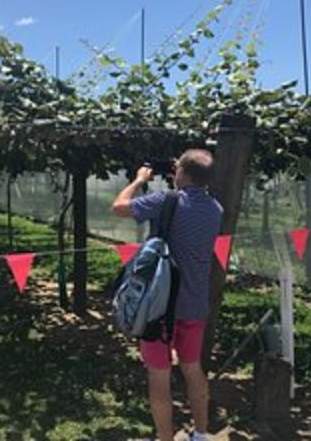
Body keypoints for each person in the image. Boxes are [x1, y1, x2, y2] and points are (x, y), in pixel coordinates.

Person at [112, 149, 223, 441]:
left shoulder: (165, 200)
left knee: (159, 375)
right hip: (194, 305)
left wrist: (138, 180)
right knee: (192, 368)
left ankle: (165, 438)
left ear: (181, 172)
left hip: (158, 307)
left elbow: (119, 207)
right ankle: (200, 433)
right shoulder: (215, 209)